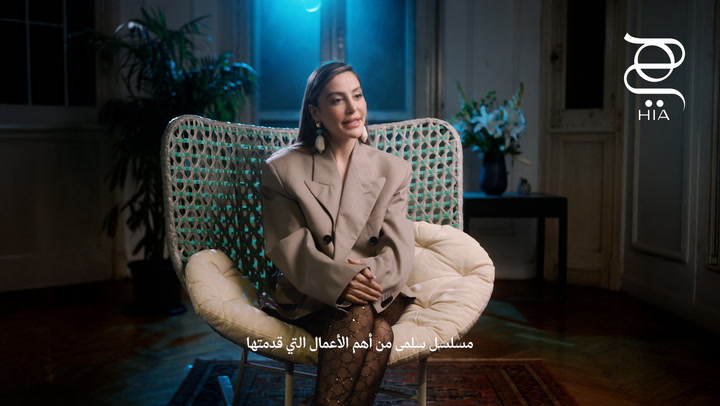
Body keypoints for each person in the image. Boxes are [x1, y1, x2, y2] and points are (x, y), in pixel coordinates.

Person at [259, 61, 415, 406]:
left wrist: (359, 278)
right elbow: (289, 246)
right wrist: (340, 281)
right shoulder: (282, 169)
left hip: (379, 289)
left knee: (360, 310)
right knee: (375, 331)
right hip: (310, 291)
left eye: (357, 96)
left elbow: (398, 249)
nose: (352, 108)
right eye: (337, 99)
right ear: (315, 112)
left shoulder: (394, 169)